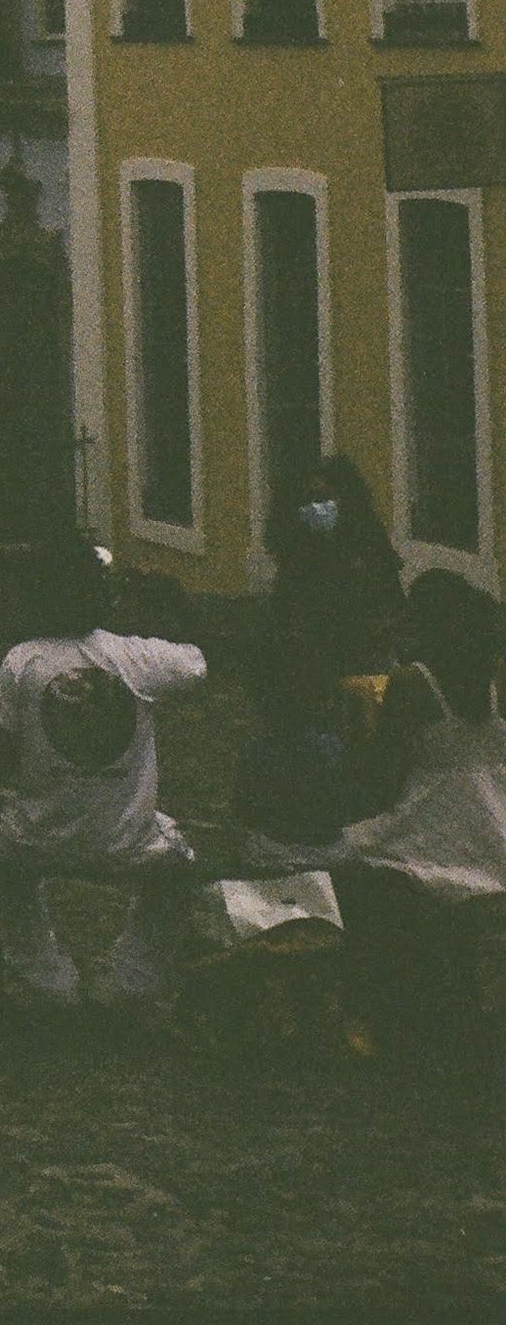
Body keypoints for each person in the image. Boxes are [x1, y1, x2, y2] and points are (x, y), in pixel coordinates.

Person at [0, 533, 206, 1006]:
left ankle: (45, 976)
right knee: (183, 867)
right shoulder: (135, 658)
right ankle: (132, 976)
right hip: (126, 840)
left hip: (36, 835)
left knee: (3, 864)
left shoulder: (20, 661)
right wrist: (168, 597)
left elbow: (0, 761)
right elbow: (198, 662)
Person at [331, 569, 506, 1067]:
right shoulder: (491, 678)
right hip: (490, 821)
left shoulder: (416, 682)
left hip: (431, 823)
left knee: (357, 862)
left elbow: (384, 769)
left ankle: (385, 1009)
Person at [241, 457, 404, 847]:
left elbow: (390, 607)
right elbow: (286, 618)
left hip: (363, 668)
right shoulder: (297, 558)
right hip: (311, 673)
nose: (317, 507)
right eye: (309, 499)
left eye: (325, 498)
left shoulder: (369, 551)